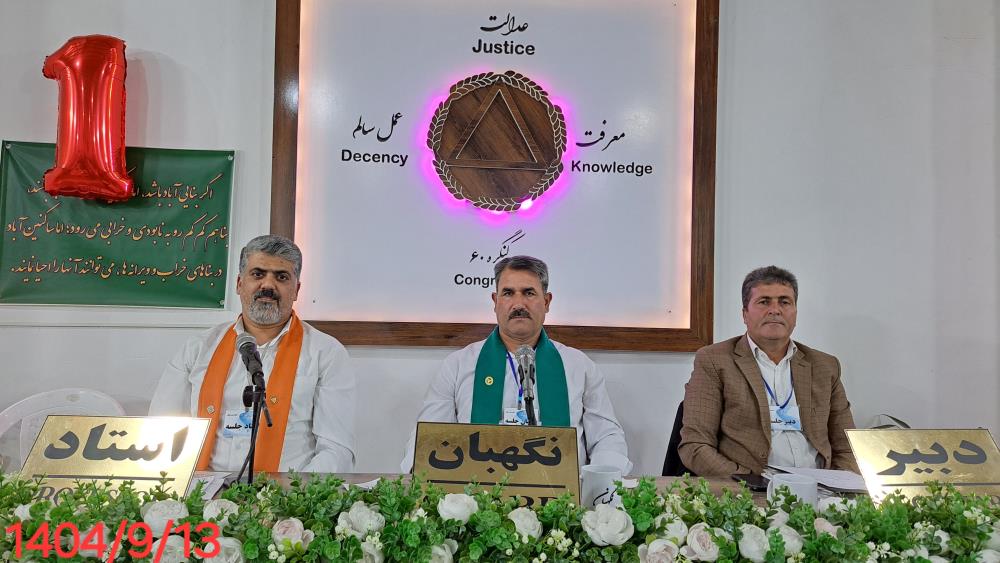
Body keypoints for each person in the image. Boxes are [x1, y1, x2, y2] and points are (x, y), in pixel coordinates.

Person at [401, 256, 632, 473]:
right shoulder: (458, 365)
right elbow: (428, 438)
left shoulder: (579, 367)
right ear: (495, 301)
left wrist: (600, 485)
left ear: (547, 302)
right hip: (476, 496)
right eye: (508, 293)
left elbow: (606, 437)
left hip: (564, 498)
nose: (518, 303)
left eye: (529, 293)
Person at [150, 235, 356, 473]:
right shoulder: (198, 349)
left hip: (287, 492)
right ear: (239, 284)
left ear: (296, 290)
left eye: (281, 277)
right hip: (203, 489)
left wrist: (293, 491)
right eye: (258, 274)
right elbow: (161, 431)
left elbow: (336, 450)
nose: (268, 285)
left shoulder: (326, 354)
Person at [678, 266, 859, 476]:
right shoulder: (715, 361)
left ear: (795, 313)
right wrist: (750, 484)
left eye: (784, 302)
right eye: (764, 302)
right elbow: (695, 446)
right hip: (749, 486)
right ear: (744, 314)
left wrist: (838, 485)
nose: (775, 310)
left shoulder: (825, 366)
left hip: (820, 487)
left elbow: (847, 446)